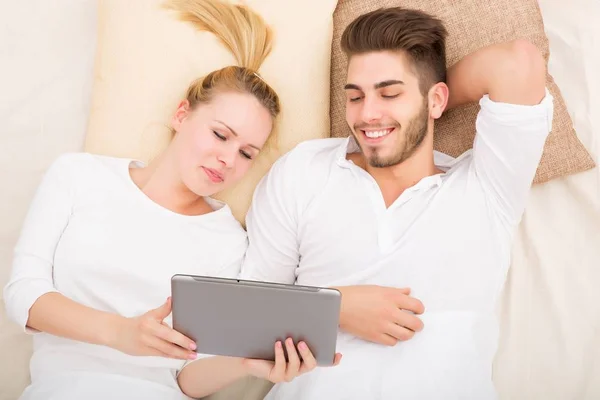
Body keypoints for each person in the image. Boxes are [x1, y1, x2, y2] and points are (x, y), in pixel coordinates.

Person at [3, 1, 340, 399]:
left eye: (248, 153)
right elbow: (25, 295)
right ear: (182, 115)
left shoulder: (232, 242)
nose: (228, 159)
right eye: (220, 134)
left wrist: (246, 362)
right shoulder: (79, 175)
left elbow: (185, 379)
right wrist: (121, 333)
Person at [240, 7, 552, 400]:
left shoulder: (485, 188)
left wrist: (425, 101)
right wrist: (334, 308)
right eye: (355, 96)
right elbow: (243, 314)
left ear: (438, 99)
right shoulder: (305, 171)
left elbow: (517, 63)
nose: (367, 114)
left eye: (389, 93)